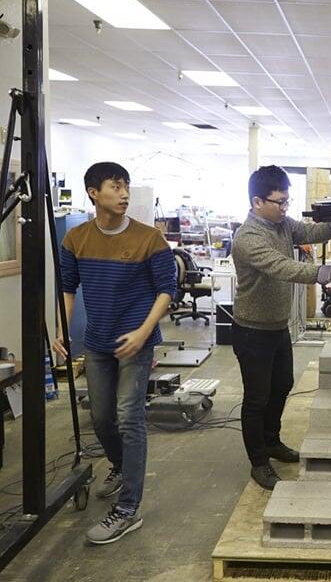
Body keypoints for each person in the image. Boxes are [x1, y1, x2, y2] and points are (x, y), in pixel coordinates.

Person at [54, 162, 177, 543]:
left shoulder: (149, 239)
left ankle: (128, 509)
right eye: (115, 186)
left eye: (126, 187)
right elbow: (68, 288)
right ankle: (121, 465)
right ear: (94, 193)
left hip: (135, 343)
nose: (124, 194)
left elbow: (167, 290)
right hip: (97, 342)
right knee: (102, 417)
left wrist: (144, 332)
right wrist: (61, 329)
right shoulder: (76, 238)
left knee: (128, 417)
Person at [231, 165, 331, 490]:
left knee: (282, 386)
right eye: (280, 202)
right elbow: (283, 267)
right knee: (257, 398)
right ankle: (259, 462)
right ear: (257, 201)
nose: (285, 208)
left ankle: (272, 441)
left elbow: (311, 232)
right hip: (252, 330)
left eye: (287, 201)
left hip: (277, 327)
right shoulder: (248, 237)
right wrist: (327, 273)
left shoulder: (281, 223)